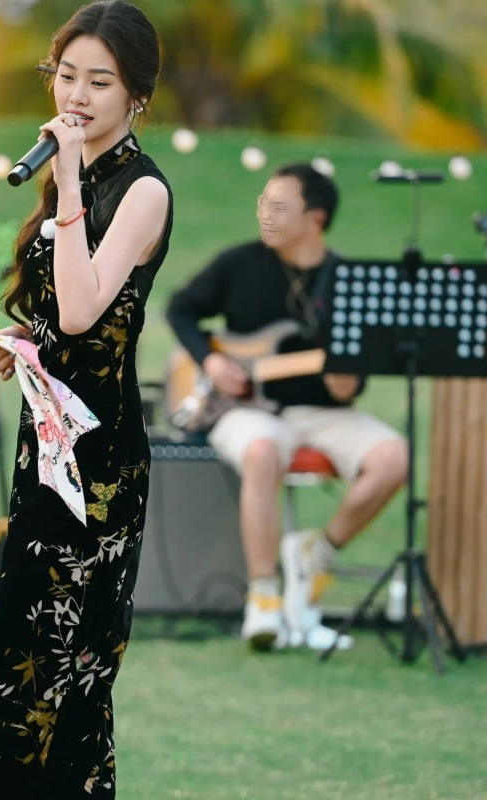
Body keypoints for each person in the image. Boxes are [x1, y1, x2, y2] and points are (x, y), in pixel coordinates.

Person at [0, 2, 172, 797]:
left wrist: (68, 178)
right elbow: (66, 321)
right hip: (45, 448)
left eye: (99, 82)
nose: (76, 95)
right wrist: (24, 341)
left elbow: (84, 309)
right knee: (13, 654)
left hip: (98, 467)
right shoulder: (75, 175)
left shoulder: (141, 191)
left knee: (69, 673)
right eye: (66, 75)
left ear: (136, 94)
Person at [166, 163, 408, 652]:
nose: (264, 214)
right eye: (263, 203)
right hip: (245, 411)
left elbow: (350, 382)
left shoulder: (348, 282)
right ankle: (264, 596)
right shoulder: (239, 263)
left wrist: (347, 383)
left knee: (394, 457)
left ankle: (318, 556)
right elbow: (180, 309)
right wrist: (211, 361)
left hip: (320, 411)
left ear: (316, 218)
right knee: (261, 451)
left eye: (279, 207)